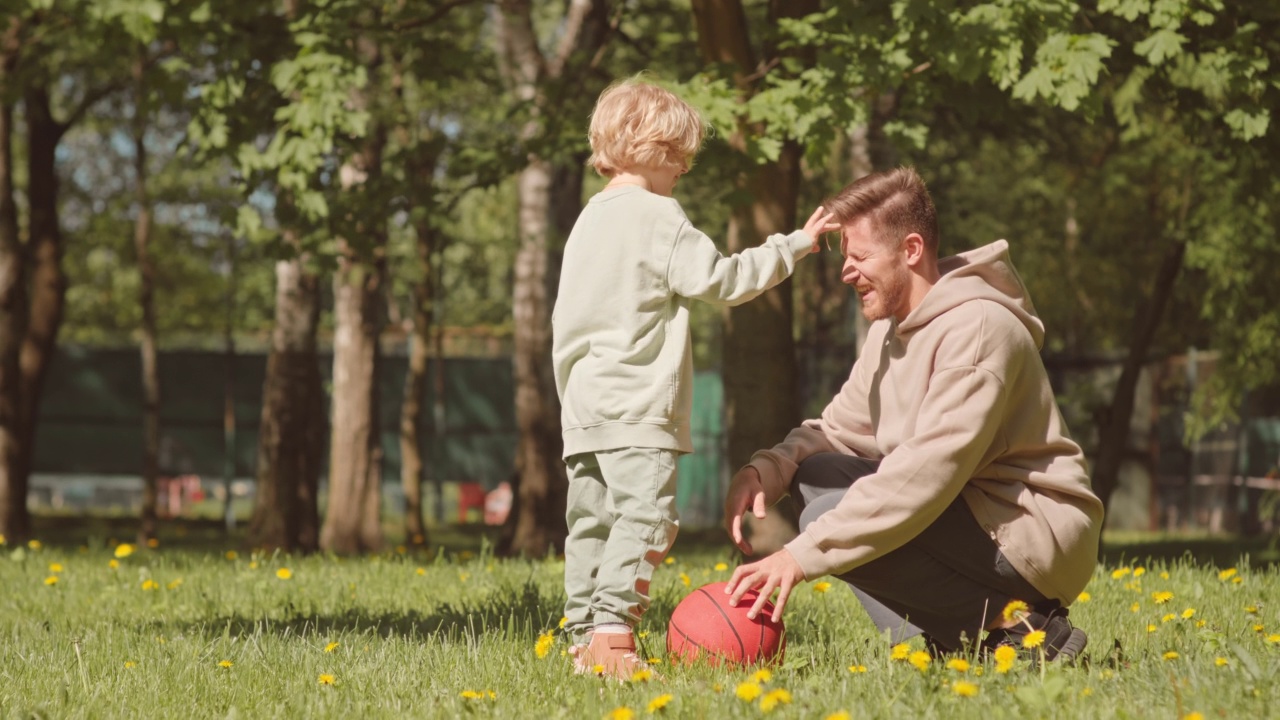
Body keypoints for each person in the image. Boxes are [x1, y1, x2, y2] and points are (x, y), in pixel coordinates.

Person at [722, 166, 1104, 662]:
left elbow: (927, 472)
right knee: (815, 475)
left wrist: (800, 554)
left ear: (911, 250)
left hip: (1032, 529)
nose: (845, 271)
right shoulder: (891, 328)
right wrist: (765, 470)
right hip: (973, 512)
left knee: (826, 514)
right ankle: (953, 638)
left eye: (859, 257)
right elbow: (837, 433)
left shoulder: (979, 329)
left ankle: (1024, 632)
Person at [552, 77, 837, 679]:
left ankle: (581, 639)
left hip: (583, 410)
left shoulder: (588, 219)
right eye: (679, 154)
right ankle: (612, 639)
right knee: (648, 516)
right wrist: (797, 245)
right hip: (636, 407)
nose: (683, 167)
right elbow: (725, 281)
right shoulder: (659, 216)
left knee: (592, 525)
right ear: (652, 147)